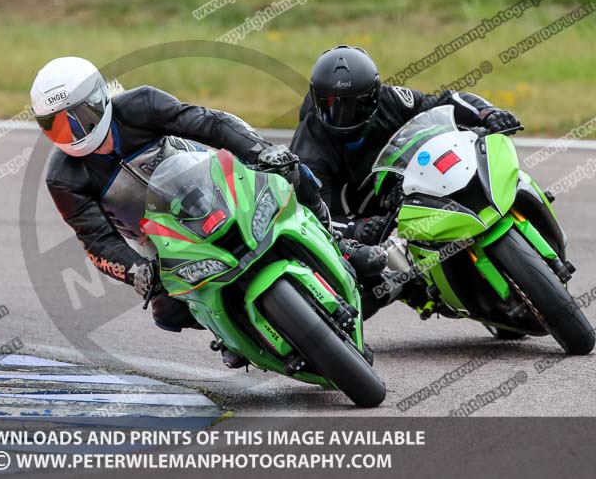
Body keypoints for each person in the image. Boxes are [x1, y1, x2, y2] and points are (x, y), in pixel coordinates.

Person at [31, 56, 387, 365]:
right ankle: (232, 332)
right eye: (58, 125)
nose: (74, 132)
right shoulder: (63, 177)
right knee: (167, 312)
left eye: (79, 117)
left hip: (212, 186)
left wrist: (260, 151)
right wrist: (135, 271)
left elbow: (207, 122)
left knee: (293, 172)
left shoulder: (139, 104)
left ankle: (337, 242)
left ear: (98, 97)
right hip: (159, 238)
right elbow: (96, 240)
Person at [291, 45, 522, 316]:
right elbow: (313, 218)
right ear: (316, 99)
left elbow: (443, 102)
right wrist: (357, 230)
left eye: (356, 105)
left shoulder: (392, 99)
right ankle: (414, 289)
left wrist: (486, 114)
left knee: (486, 156)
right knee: (361, 296)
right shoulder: (309, 153)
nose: (344, 116)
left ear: (375, 95)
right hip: (368, 217)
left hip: (419, 177)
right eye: (331, 106)